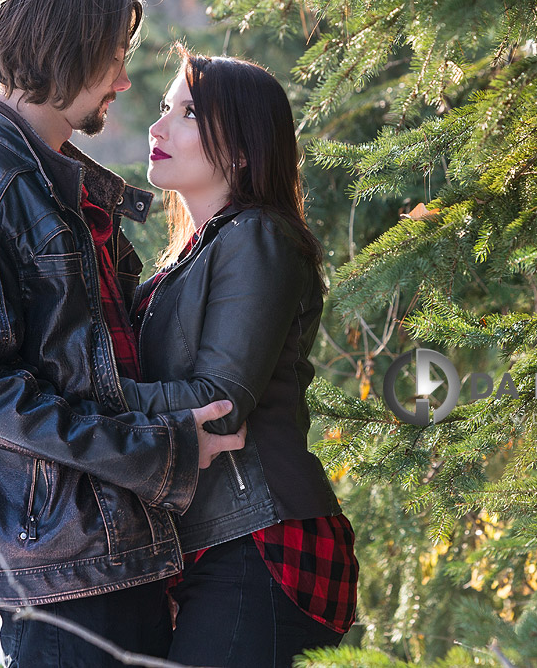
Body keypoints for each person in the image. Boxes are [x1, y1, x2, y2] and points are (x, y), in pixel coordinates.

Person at [0, 0, 246, 667]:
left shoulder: (51, 183)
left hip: (102, 549)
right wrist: (158, 450)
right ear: (64, 51)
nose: (124, 82)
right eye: (112, 59)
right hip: (63, 561)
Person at [119, 48, 360, 666]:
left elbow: (217, 404)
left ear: (245, 146)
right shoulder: (191, 254)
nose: (158, 126)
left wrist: (89, 396)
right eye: (166, 107)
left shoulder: (258, 234)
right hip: (214, 540)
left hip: (263, 538)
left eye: (189, 112)